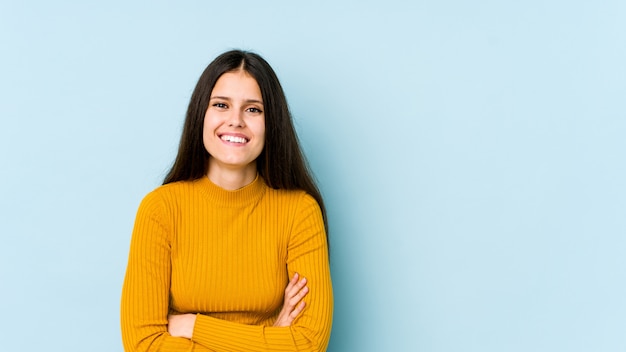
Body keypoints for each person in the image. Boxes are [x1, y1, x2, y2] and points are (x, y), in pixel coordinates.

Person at [120, 50, 333, 351]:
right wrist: (270, 337)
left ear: (272, 122)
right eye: (221, 105)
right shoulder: (161, 210)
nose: (235, 121)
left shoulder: (299, 212)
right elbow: (143, 344)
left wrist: (191, 324)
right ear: (201, 115)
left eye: (253, 110)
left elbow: (308, 344)